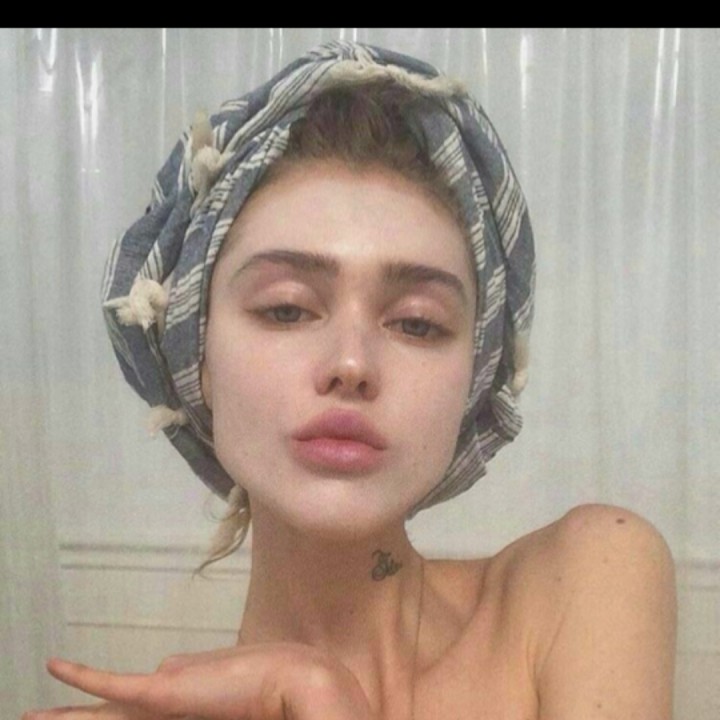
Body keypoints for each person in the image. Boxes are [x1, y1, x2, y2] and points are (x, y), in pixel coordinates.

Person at [24, 41, 677, 720]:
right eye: (286, 309)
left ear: (474, 378)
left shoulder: (587, 578)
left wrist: (321, 693)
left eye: (418, 323)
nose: (353, 363)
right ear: (195, 357)